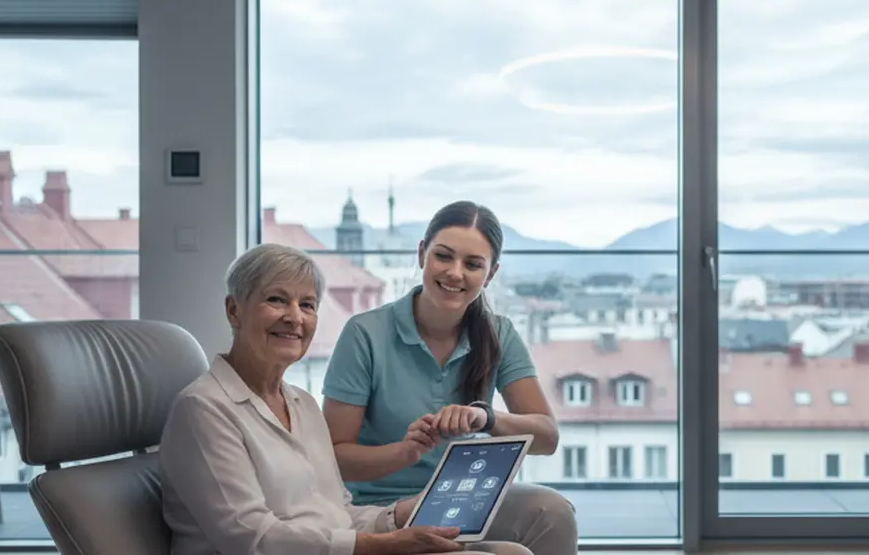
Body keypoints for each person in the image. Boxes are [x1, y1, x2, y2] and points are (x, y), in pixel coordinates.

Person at [159, 243, 531, 555]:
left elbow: (337, 514)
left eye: (307, 305)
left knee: (512, 553)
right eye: (276, 300)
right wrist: (384, 545)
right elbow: (252, 538)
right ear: (233, 310)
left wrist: (405, 515)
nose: (294, 318)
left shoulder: (302, 404)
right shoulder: (204, 410)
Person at [320, 201, 577, 555]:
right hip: (381, 507)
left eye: (472, 264)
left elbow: (547, 438)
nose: (455, 273)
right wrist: (404, 453)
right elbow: (333, 457)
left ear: (490, 275)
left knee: (553, 513)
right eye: (444, 256)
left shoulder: (499, 334)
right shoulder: (365, 334)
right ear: (422, 253)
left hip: (466, 497)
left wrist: (485, 417)